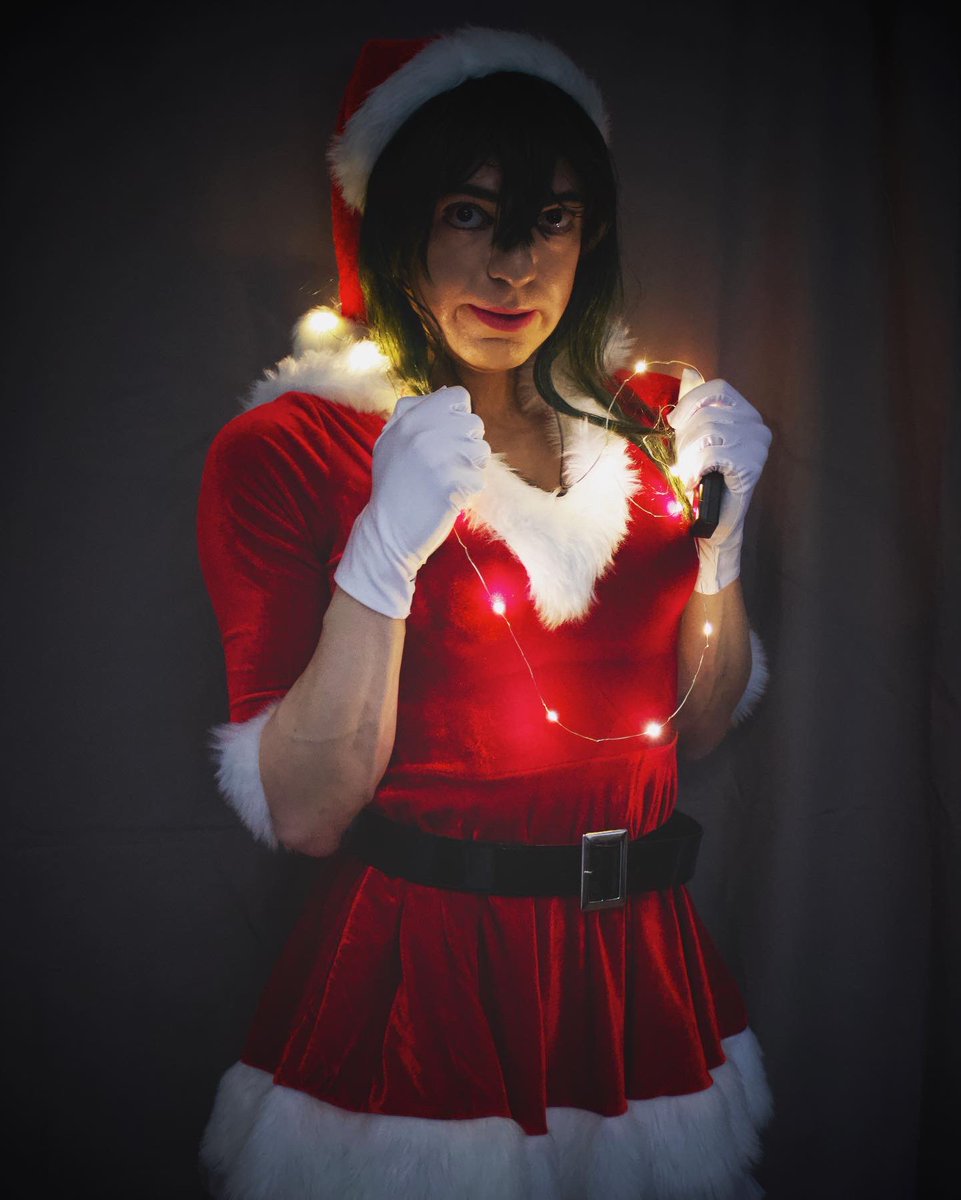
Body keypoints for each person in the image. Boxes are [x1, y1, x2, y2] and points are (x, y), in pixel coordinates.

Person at [197, 26, 774, 1200]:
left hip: (638, 979)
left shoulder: (655, 428)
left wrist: (721, 553)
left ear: (588, 235)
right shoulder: (296, 448)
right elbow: (306, 813)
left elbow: (701, 727)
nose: (514, 270)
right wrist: (381, 554)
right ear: (399, 229)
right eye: (470, 214)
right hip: (430, 984)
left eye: (549, 220)